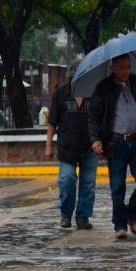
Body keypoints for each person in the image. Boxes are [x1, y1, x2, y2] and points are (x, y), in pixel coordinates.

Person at [87, 54, 136, 239]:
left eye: (128, 67)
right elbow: (93, 116)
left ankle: (133, 215)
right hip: (115, 143)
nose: (126, 71)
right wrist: (95, 139)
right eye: (122, 67)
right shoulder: (103, 88)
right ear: (113, 68)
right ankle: (120, 224)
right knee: (117, 186)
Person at [44, 63, 95, 230]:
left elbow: (100, 118)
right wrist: (48, 145)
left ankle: (83, 217)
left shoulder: (93, 93)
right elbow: (52, 122)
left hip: (89, 145)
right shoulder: (61, 93)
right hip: (67, 147)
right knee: (67, 179)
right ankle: (66, 214)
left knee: (88, 183)